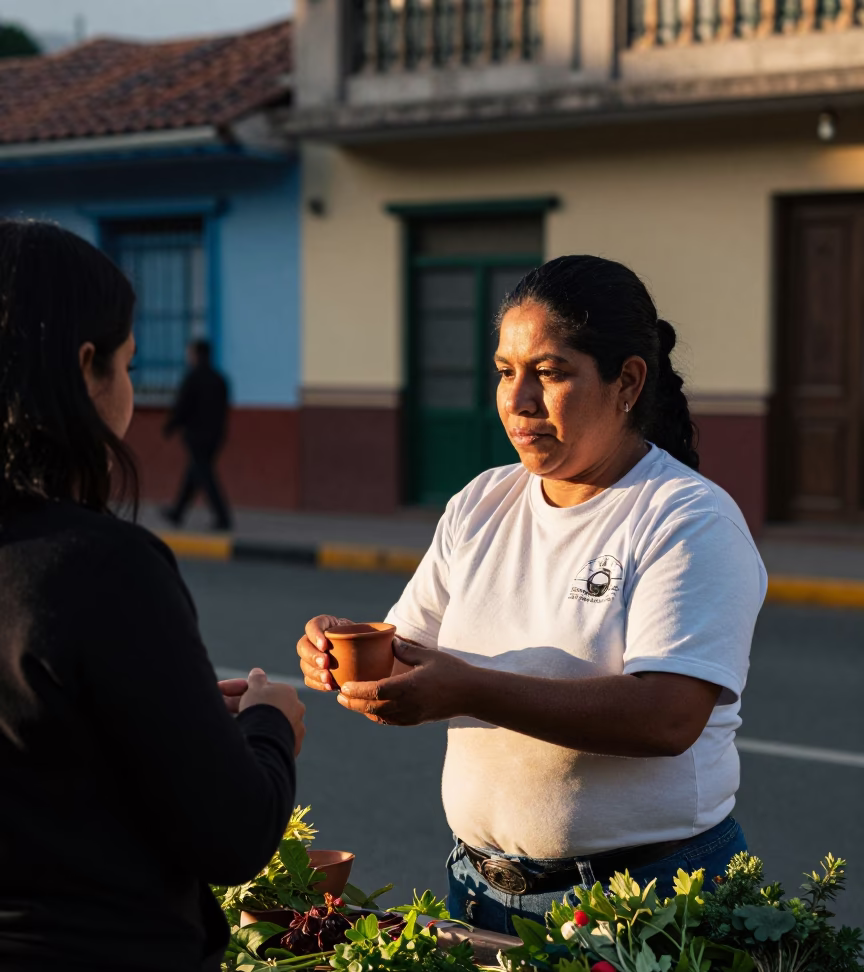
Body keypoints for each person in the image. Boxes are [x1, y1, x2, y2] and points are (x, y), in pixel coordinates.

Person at [298, 255, 767, 935]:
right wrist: (343, 649)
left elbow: (667, 716)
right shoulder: (483, 501)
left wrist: (470, 690)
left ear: (628, 381)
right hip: (477, 889)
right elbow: (409, 650)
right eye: (505, 372)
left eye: (550, 374)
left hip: (643, 903)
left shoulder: (686, 518)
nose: (518, 402)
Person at [0, 221, 305, 972]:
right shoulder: (100, 567)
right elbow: (228, 830)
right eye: (128, 364)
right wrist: (268, 728)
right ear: (85, 366)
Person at [163, 338, 232, 531]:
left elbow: (183, 407)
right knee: (194, 472)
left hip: (196, 436)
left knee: (205, 474)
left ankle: (223, 517)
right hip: (216, 436)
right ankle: (177, 512)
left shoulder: (192, 378)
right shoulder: (220, 379)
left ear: (195, 355)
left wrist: (170, 426)